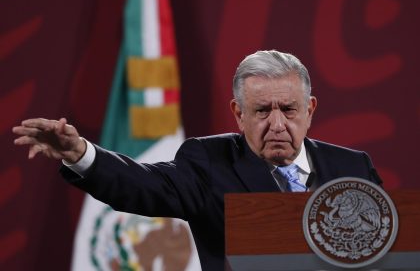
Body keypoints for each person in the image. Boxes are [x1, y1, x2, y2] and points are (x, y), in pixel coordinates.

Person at [13, 50, 382, 270]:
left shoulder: (352, 167)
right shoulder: (209, 162)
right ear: (238, 114)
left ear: (309, 109)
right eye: (261, 111)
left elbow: (388, 249)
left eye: (288, 109)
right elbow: (143, 186)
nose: (276, 124)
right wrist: (80, 155)